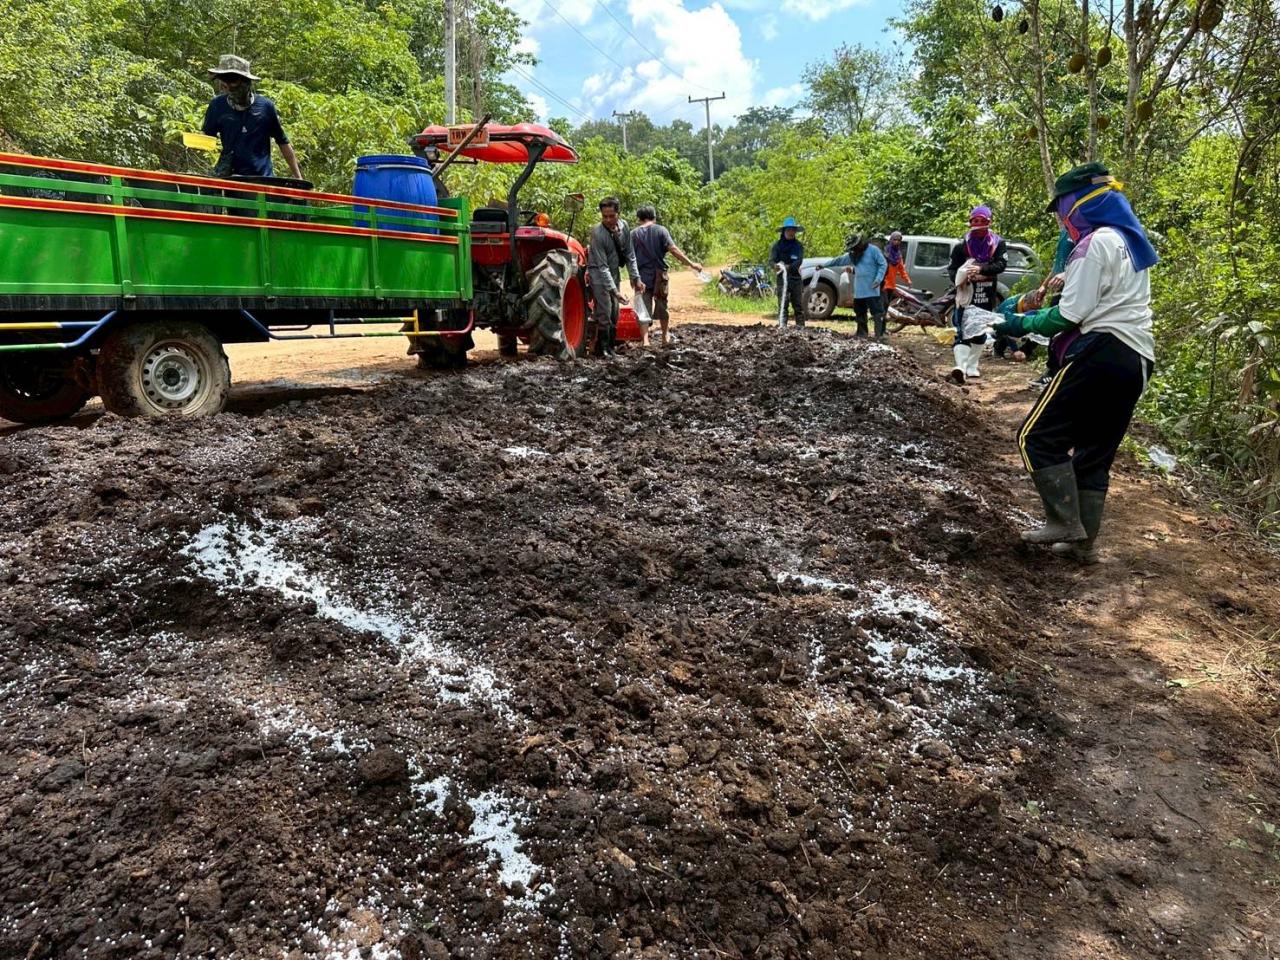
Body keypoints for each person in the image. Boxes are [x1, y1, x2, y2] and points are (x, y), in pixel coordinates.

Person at [992, 161, 1158, 563]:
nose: (1063, 219)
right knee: (1093, 452)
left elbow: (1069, 315)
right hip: (1137, 357)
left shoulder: (1093, 243)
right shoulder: (1127, 241)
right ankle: (1083, 546)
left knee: (1036, 438)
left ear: (1078, 205)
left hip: (1101, 352)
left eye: (1063, 209)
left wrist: (1016, 321)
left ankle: (1063, 521)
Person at [202, 55, 301, 181]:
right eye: (223, 80)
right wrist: (194, 142)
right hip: (228, 177)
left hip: (261, 179)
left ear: (245, 82)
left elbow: (282, 142)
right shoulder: (217, 105)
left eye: (232, 80)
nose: (226, 86)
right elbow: (206, 138)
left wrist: (298, 177)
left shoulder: (265, 107)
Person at [947, 206, 1007, 383]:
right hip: (966, 294)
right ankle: (961, 367)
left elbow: (1001, 265)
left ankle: (972, 365)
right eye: (975, 221)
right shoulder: (961, 246)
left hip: (986, 294)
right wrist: (961, 278)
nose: (978, 225)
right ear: (970, 222)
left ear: (989, 223)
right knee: (962, 329)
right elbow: (952, 269)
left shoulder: (997, 244)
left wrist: (982, 269)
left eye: (983, 221)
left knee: (979, 330)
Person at [631, 205, 703, 347]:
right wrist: (691, 263)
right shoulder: (661, 230)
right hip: (659, 276)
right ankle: (665, 336)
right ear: (654, 217)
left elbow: (629, 257)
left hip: (641, 277)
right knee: (662, 305)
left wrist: (633, 277)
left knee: (642, 308)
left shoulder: (633, 234)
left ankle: (645, 341)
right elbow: (673, 249)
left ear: (639, 219)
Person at [586, 197, 643, 357]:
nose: (608, 220)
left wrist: (636, 277)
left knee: (615, 312)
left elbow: (630, 254)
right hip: (599, 274)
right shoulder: (597, 233)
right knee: (605, 311)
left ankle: (610, 347)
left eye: (612, 216)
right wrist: (615, 291)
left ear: (618, 214)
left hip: (614, 272)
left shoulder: (624, 226)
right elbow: (602, 266)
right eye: (605, 216)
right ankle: (602, 349)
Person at [842, 233, 888, 339]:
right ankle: (862, 333)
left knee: (877, 311)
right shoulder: (856, 254)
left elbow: (883, 265)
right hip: (860, 288)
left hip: (874, 287)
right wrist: (824, 265)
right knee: (859, 310)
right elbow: (842, 260)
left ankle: (879, 335)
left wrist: (878, 279)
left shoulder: (875, 251)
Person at [769, 217, 807, 328]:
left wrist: (789, 267)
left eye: (793, 230)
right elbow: (771, 261)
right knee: (783, 305)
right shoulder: (777, 246)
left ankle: (801, 328)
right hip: (782, 279)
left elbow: (799, 260)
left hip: (795, 278)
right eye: (789, 230)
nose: (791, 232)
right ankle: (782, 327)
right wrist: (776, 266)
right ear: (784, 231)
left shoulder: (798, 246)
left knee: (798, 306)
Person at [882, 231, 911, 296]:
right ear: (891, 239)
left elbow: (901, 269)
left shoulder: (898, 255)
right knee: (883, 303)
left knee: (886, 305)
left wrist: (907, 280)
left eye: (899, 240)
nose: (896, 242)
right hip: (882, 284)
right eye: (894, 239)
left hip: (891, 285)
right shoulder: (885, 252)